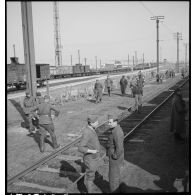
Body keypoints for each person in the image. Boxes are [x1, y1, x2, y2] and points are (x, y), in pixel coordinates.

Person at [78, 116, 101, 193]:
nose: (98, 123)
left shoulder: (91, 129)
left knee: (92, 175)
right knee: (90, 177)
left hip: (93, 158)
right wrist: (92, 151)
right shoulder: (87, 132)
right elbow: (80, 148)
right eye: (96, 122)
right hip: (90, 159)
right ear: (91, 123)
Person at [107, 115, 124, 193]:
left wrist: (115, 156)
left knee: (113, 177)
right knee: (117, 175)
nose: (109, 124)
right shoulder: (115, 129)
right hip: (116, 157)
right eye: (108, 122)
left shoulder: (117, 132)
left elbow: (119, 147)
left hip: (115, 159)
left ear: (115, 122)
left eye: (110, 122)